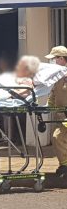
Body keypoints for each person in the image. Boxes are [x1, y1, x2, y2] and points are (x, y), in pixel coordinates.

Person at [45, 46, 67, 178]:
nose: (52, 62)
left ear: (61, 59)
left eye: (54, 59)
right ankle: (64, 165)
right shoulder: (58, 76)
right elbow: (54, 93)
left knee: (58, 137)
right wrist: (47, 106)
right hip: (61, 115)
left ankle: (65, 165)